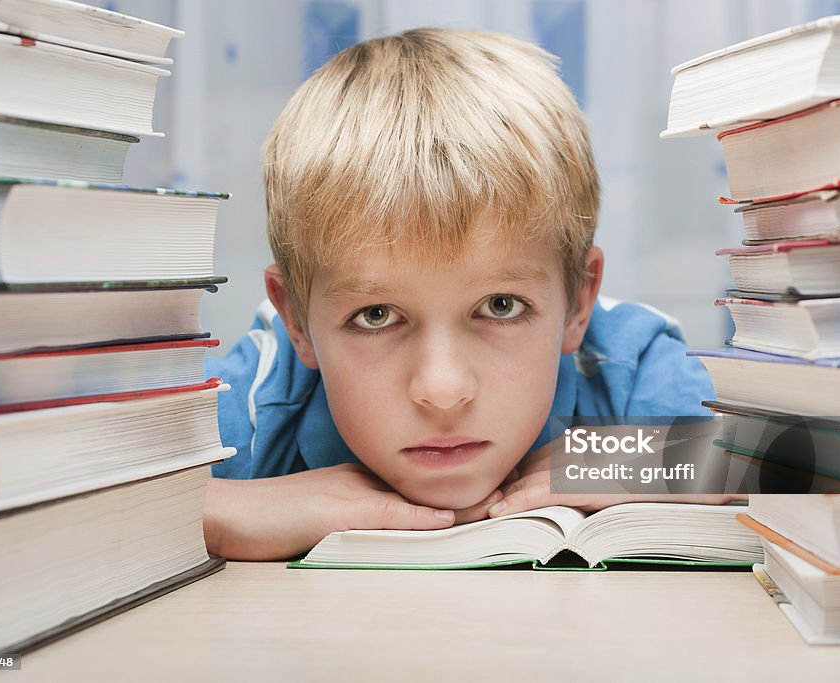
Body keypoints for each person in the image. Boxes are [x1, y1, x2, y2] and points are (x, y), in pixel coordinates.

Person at [204, 28, 732, 561]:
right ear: (296, 320)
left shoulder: (623, 361)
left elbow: (808, 458)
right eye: (375, 314)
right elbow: (116, 504)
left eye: (501, 306)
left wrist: (620, 463)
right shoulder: (260, 401)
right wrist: (215, 511)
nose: (442, 389)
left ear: (578, 301)